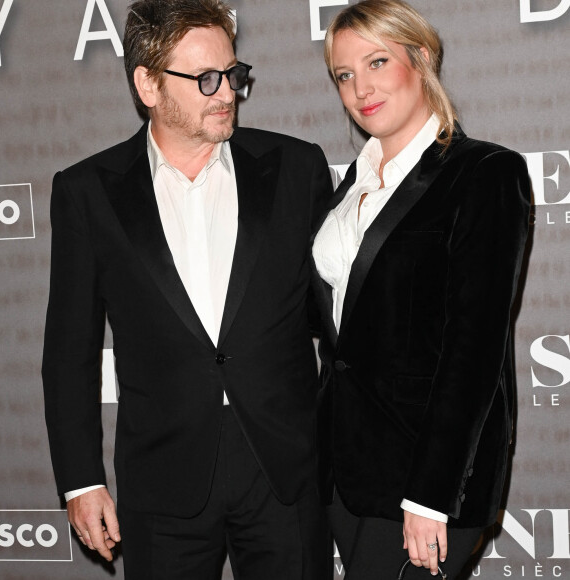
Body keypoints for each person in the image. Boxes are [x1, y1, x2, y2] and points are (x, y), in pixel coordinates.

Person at [41, 1, 334, 578]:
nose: (226, 92)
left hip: (284, 470)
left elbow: (338, 325)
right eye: (204, 79)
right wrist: (81, 479)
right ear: (147, 85)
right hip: (162, 477)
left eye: (232, 74)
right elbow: (68, 353)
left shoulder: (296, 169)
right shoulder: (88, 193)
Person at [311, 1, 531, 578]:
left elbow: (475, 351)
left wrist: (430, 496)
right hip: (346, 474)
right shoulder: (349, 190)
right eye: (344, 74)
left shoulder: (482, 174)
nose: (361, 88)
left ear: (422, 57)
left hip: (424, 482)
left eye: (378, 61)